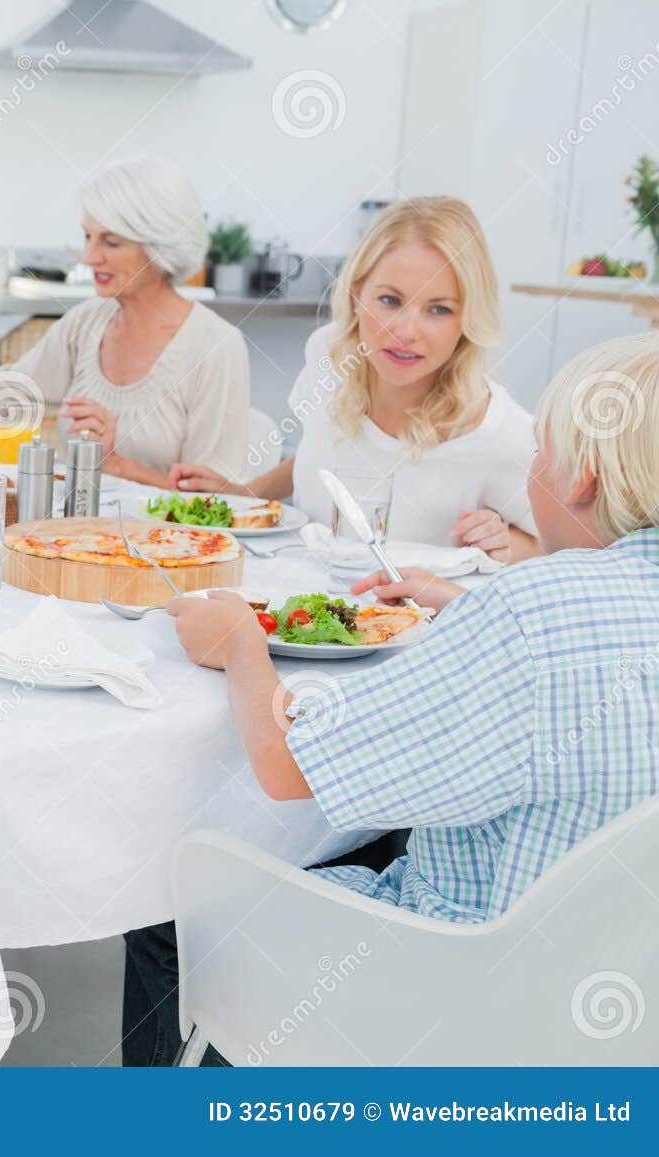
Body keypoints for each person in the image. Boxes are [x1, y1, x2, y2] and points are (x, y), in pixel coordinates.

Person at [125, 330, 659, 1064]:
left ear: (583, 477)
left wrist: (241, 643)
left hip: (454, 996)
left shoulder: (533, 611)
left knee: (159, 903)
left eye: (542, 450)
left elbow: (288, 768)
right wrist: (469, 609)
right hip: (616, 1020)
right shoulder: (538, 607)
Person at [170, 197, 538, 561]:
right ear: (356, 293)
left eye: (439, 309)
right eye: (390, 300)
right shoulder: (328, 358)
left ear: (468, 320)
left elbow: (558, 546)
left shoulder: (497, 432)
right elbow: (325, 453)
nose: (405, 331)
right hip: (297, 608)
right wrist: (247, 492)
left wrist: (507, 544)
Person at [0, 156, 251, 487]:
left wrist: (116, 464)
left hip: (163, 543)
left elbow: (215, 504)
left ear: (162, 248)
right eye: (88, 237)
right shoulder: (86, 323)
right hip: (76, 534)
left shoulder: (215, 346)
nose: (90, 257)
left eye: (111, 242)